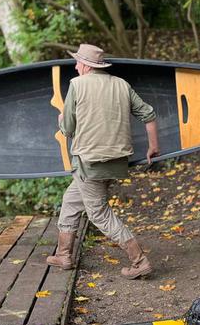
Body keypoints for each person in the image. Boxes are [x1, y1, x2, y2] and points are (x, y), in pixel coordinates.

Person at [46, 43, 160, 279]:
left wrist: (60, 118)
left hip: (90, 163)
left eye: (78, 62)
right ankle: (64, 254)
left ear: (87, 66)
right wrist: (153, 146)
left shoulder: (77, 85)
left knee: (99, 213)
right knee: (71, 200)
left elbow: (67, 129)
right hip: (116, 161)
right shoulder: (121, 84)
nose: (76, 66)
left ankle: (139, 261)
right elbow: (148, 114)